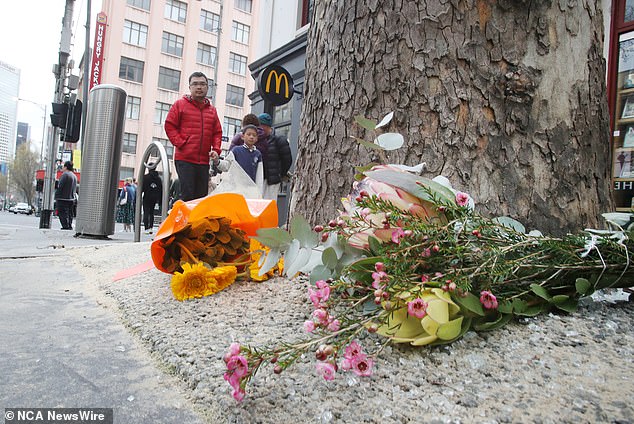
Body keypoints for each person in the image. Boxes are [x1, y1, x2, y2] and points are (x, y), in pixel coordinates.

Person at [164, 71, 223, 201]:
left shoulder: (212, 110)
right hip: (185, 159)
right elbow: (169, 125)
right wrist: (181, 143)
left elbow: (217, 132)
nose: (199, 87)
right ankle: (185, 221)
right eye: (195, 84)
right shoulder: (180, 105)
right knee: (187, 196)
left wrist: (216, 149)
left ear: (207, 87)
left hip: (203, 161)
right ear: (190, 87)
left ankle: (196, 222)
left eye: (202, 84)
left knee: (201, 197)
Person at [212, 124, 264, 198]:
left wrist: (259, 194)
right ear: (242, 136)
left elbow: (259, 176)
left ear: (257, 139)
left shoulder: (258, 154)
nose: (251, 137)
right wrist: (217, 161)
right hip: (235, 189)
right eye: (249, 134)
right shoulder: (236, 150)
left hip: (250, 191)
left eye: (254, 135)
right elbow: (226, 165)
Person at [257, 113, 293, 200]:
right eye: (259, 125)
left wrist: (280, 173)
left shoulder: (279, 140)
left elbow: (287, 160)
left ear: (268, 127)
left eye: (263, 125)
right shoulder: (255, 140)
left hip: (271, 181)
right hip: (258, 179)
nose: (260, 128)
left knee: (269, 206)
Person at [54, 161, 77, 230]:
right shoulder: (74, 176)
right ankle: (69, 225)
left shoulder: (65, 175)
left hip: (62, 198)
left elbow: (60, 186)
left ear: (66, 167)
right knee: (69, 214)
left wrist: (56, 195)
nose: (62, 168)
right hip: (71, 199)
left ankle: (65, 226)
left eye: (63, 167)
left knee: (62, 213)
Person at [142, 165, 162, 234]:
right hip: (155, 198)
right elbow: (160, 189)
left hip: (147, 196)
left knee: (146, 212)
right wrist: (160, 200)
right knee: (151, 213)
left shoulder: (145, 177)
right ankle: (151, 227)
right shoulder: (158, 178)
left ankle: (146, 228)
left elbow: (142, 188)